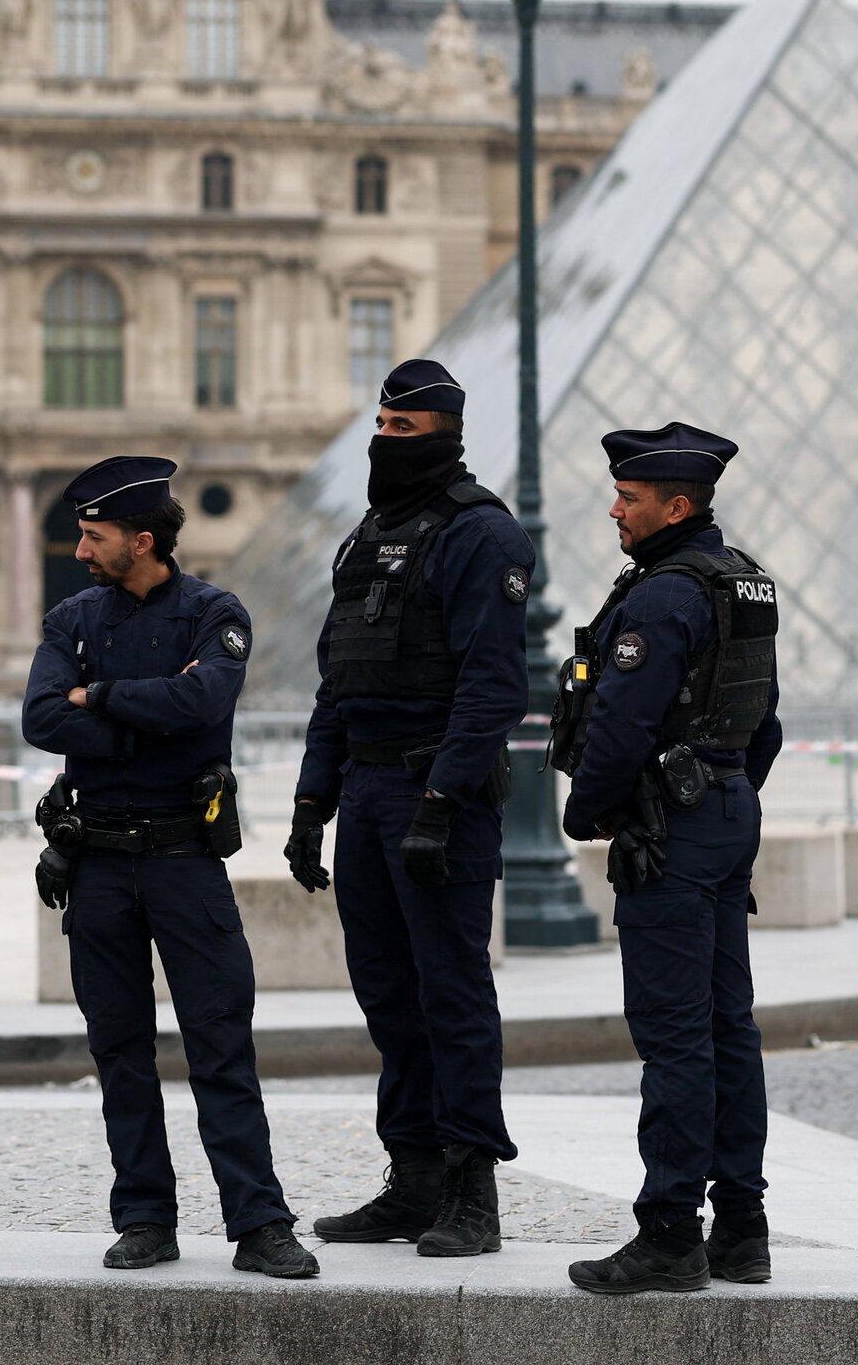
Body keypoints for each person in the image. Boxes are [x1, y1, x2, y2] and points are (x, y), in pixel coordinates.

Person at [21, 455, 315, 1280]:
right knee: (119, 1050)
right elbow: (42, 717)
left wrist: (98, 697)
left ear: (141, 540)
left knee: (221, 1046)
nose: (79, 551)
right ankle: (145, 1216)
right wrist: (141, 708)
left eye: (93, 536)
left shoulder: (215, 612)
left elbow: (203, 707)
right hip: (100, 861)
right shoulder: (73, 618)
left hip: (186, 856)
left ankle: (259, 1223)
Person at [287, 359, 534, 1258]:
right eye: (380, 430)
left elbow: (492, 687)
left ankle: (473, 1191)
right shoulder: (366, 537)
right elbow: (337, 678)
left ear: (446, 434)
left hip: (439, 792)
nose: (385, 445)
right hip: (365, 789)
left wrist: (438, 804)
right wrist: (313, 802)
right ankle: (413, 1175)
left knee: (452, 994)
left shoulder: (480, 533)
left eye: (404, 432)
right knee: (390, 996)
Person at [553, 422, 782, 1296]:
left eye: (631, 498)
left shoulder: (660, 598)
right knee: (731, 1028)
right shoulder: (745, 584)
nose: (616, 509)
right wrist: (724, 790)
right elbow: (766, 723)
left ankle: (669, 1234)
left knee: (676, 1037)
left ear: (675, 506)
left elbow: (619, 726)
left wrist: (592, 810)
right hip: (725, 813)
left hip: (670, 833)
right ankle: (742, 1230)